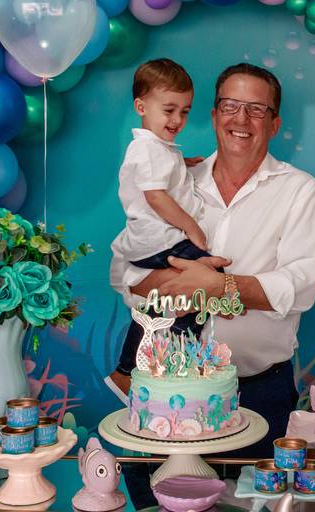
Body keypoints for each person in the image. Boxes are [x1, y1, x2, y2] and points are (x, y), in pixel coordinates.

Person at [109, 62, 315, 456]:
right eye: (230, 106)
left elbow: (301, 284)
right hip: (166, 392)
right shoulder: (176, 181)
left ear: (274, 124)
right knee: (161, 489)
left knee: (255, 489)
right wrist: (181, 285)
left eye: (256, 109)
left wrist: (222, 286)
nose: (241, 119)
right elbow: (124, 268)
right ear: (214, 116)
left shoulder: (299, 189)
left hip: (260, 389)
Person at [106, 58, 215, 402]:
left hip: (149, 242)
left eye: (184, 112)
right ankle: (181, 354)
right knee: (208, 281)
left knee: (152, 308)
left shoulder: (155, 149)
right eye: (169, 110)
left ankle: (125, 372)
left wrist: (182, 164)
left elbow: (156, 174)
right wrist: (191, 227)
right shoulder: (148, 148)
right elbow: (155, 196)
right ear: (141, 107)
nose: (177, 120)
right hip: (160, 240)